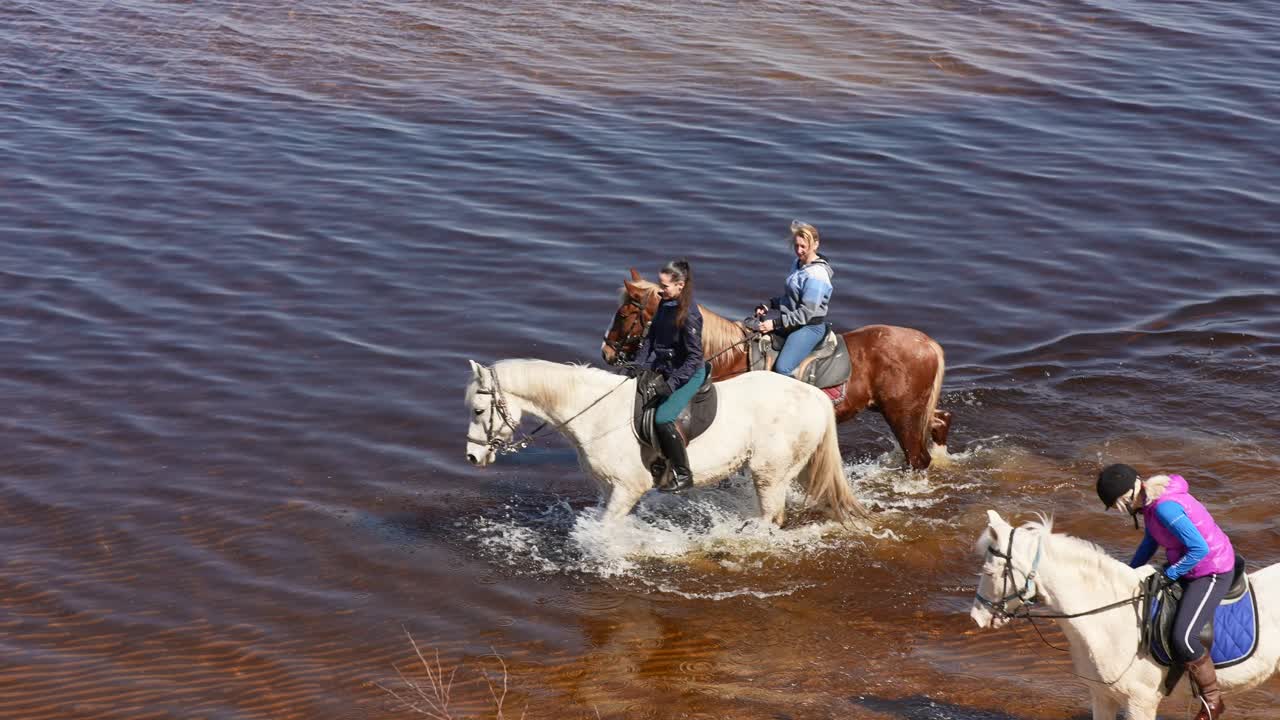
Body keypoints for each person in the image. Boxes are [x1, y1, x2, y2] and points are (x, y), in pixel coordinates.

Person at [1097, 463, 1234, 720]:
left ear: (1125, 497)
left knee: (1184, 637)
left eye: (1116, 505)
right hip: (1187, 564)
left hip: (1211, 570)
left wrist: (1169, 574)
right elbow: (1150, 543)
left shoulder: (1165, 508)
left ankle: (1213, 702)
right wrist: (1126, 573)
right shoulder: (1150, 506)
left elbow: (1199, 549)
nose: (1118, 511)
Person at [633, 259, 704, 493]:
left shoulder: (690, 314)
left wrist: (672, 384)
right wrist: (640, 365)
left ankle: (683, 474)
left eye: (665, 286)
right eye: (660, 284)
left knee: (663, 418)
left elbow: (694, 358)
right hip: (663, 367)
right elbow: (651, 339)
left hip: (687, 373)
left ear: (680, 285)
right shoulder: (665, 304)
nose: (661, 290)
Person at [749, 220, 834, 377]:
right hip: (793, 321)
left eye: (803, 246)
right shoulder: (798, 264)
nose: (799, 250)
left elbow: (806, 313)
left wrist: (774, 324)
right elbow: (792, 298)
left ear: (815, 245)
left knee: (782, 368)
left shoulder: (817, 275)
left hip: (809, 326)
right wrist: (770, 304)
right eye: (796, 245)